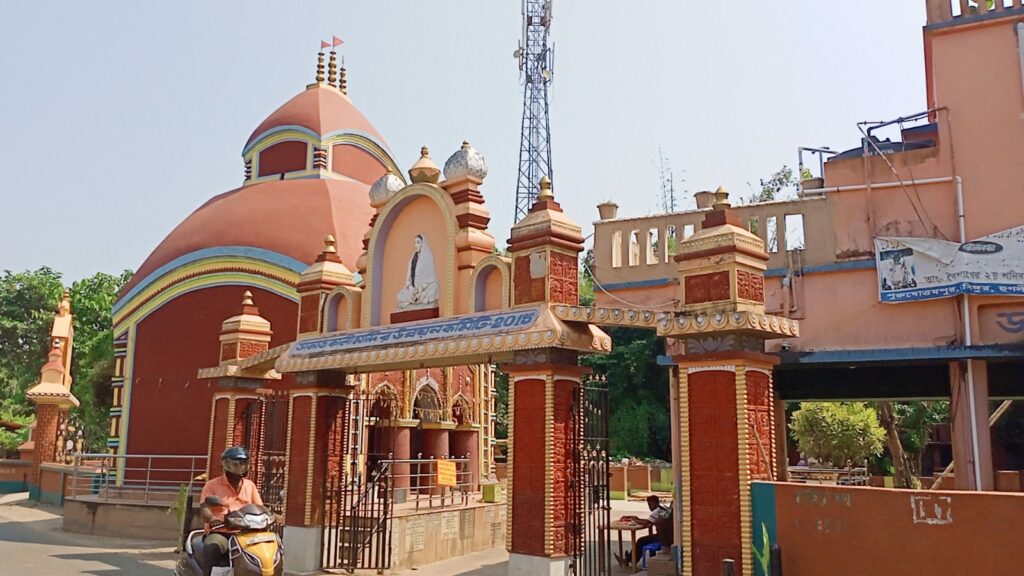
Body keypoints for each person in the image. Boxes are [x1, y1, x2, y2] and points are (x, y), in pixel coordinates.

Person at [199, 446, 264, 576]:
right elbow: (205, 508)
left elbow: (259, 507)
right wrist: (212, 519)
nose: (239, 467)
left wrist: (271, 515)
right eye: (235, 464)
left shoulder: (250, 485)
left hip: (246, 532)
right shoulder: (212, 485)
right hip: (222, 531)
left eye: (243, 464)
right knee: (213, 547)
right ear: (226, 465)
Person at [615, 495, 673, 567]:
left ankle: (630, 560)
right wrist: (637, 519)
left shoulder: (656, 511)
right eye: (649, 505)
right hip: (665, 535)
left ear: (657, 503)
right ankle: (630, 558)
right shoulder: (662, 509)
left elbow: (646, 523)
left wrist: (635, 520)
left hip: (663, 537)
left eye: (652, 504)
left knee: (641, 541)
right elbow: (649, 521)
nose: (650, 507)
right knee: (643, 540)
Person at [396, 234, 440, 310]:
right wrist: (411, 289)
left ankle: (418, 300)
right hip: (413, 291)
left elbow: (431, 279)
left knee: (433, 291)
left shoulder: (428, 258)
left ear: (423, 243)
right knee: (400, 296)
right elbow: (408, 281)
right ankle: (414, 301)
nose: (416, 245)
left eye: (418, 242)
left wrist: (419, 290)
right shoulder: (412, 260)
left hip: (425, 289)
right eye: (415, 243)